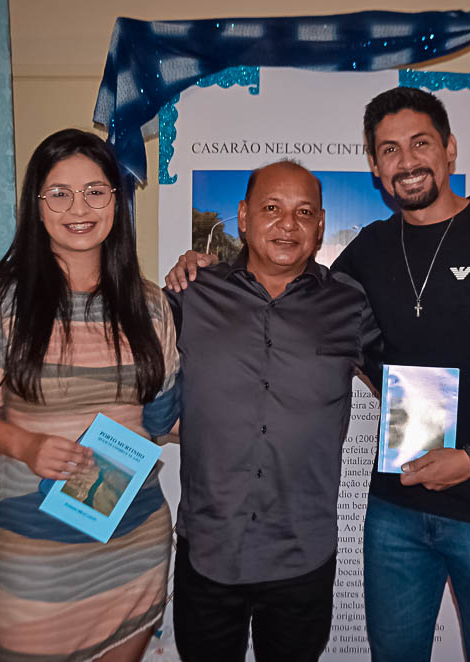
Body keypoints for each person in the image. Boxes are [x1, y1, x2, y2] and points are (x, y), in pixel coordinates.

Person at [167, 88, 470, 662]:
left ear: (450, 150)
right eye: (389, 149)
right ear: (373, 165)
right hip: (397, 509)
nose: (407, 160)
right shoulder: (365, 252)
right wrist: (200, 262)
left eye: (420, 143)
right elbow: (303, 313)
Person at [0, 129, 180, 662]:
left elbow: (162, 419)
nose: (78, 208)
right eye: (59, 193)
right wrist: (24, 445)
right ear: (36, 206)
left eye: (95, 191)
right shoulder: (0, 303)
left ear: (117, 199)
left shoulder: (151, 305)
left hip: (133, 542)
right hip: (37, 553)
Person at [165, 161, 382, 662]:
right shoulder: (191, 293)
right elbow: (126, 370)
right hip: (209, 549)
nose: (288, 224)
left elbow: (409, 380)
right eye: (271, 209)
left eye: (304, 212)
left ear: (321, 225)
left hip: (301, 556)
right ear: (242, 217)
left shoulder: (349, 305)